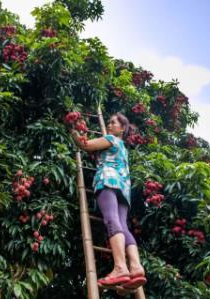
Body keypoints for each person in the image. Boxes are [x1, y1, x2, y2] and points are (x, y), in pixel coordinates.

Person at [72, 113, 147, 292]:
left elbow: (85, 145)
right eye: (109, 122)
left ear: (122, 128)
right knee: (123, 225)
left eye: (113, 122)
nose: (109, 124)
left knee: (111, 219)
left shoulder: (111, 139)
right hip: (123, 187)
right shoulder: (123, 148)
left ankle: (120, 266)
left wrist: (74, 130)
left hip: (107, 180)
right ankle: (136, 267)